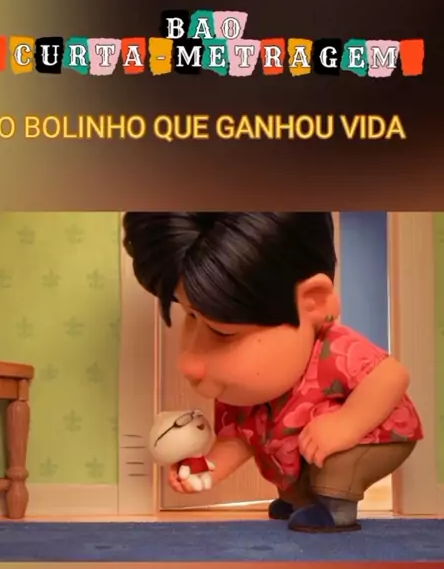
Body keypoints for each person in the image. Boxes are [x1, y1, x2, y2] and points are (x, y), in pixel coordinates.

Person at [123, 212, 423, 533]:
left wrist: (346, 424)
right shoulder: (241, 397)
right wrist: (205, 470)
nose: (188, 363)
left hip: (376, 434)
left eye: (223, 332)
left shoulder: (336, 350)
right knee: (291, 461)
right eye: (190, 316)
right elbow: (237, 440)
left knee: (337, 462)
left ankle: (336, 508)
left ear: (312, 302)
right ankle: (300, 499)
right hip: (309, 443)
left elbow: (390, 377)